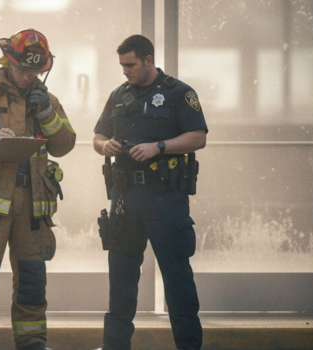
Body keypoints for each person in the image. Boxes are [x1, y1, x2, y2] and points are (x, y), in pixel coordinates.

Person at [0, 28, 76, 350]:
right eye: (22, 70)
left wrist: (46, 112)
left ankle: (33, 342)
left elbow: (65, 144)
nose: (26, 77)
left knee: (33, 281)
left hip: (33, 205)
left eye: (33, 71)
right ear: (8, 62)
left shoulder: (48, 101)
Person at [91, 34, 207, 350]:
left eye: (130, 64)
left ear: (148, 60)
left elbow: (198, 137)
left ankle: (188, 345)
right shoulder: (118, 95)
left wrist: (160, 147)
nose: (125, 70)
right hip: (125, 199)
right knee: (121, 279)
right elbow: (99, 134)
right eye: (122, 65)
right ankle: (114, 345)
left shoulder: (178, 93)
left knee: (177, 277)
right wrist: (105, 145)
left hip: (165, 198)